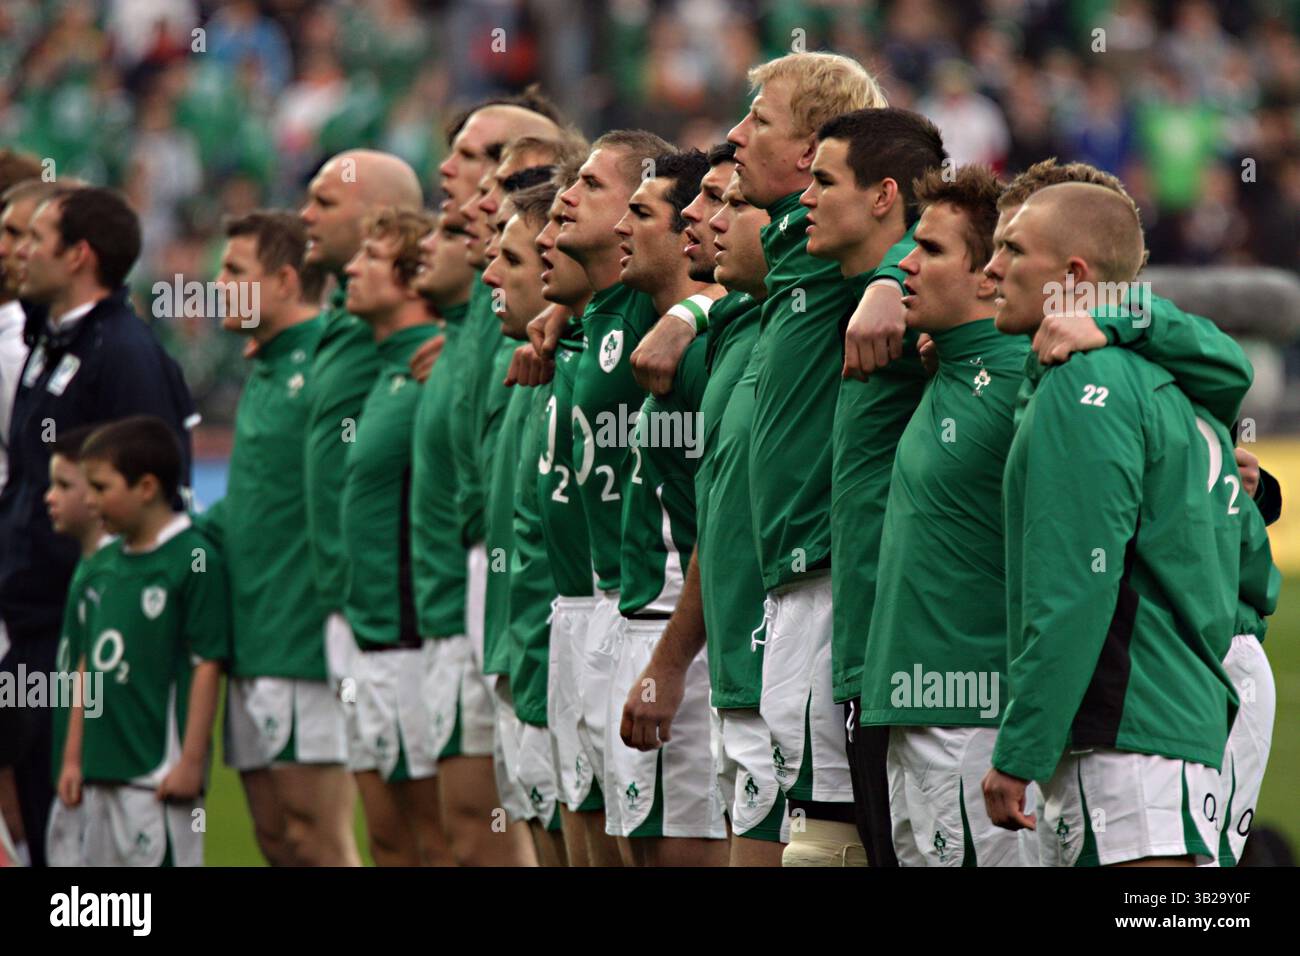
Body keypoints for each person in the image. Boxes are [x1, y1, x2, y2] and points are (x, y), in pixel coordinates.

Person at [981, 182, 1272, 866]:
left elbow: (1075, 587)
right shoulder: (1182, 392)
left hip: (1125, 747)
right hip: (1182, 738)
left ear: (1072, 277)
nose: (991, 268)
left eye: (1011, 249)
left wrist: (1020, 748)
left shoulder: (1084, 386)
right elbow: (1254, 580)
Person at [0, 186, 195, 867]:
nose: (18, 252)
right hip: (34, 624)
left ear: (79, 255)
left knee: (94, 851)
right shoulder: (51, 342)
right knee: (48, 833)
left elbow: (159, 493)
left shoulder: (124, 353)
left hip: (81, 626)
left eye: (34, 238)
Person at [726, 52, 886, 865]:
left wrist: (892, 283)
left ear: (813, 147)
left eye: (757, 119)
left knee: (828, 841)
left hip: (829, 576)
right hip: (789, 583)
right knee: (818, 830)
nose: (734, 135)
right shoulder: (793, 242)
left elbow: (942, 242)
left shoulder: (844, 248)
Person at [854, 162, 1031, 865]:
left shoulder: (1028, 375)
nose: (906, 267)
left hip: (978, 724)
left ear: (989, 272)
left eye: (929, 251)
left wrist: (1250, 487)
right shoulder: (948, 364)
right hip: (916, 717)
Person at [202, 211, 358, 866]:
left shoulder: (333, 358)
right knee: (276, 840)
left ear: (287, 279)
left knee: (317, 840)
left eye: (234, 272)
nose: (216, 284)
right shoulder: (265, 365)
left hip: (304, 644)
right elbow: (252, 504)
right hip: (252, 639)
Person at [297, 148, 430, 866]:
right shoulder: (345, 323)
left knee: (446, 832)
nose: (305, 216)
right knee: (385, 835)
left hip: (409, 617)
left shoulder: (430, 337)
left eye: (323, 202)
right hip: (351, 611)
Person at [555, 129, 677, 866]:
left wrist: (693, 313)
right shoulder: (592, 317)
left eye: (593, 187)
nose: (569, 197)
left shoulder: (652, 306)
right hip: (595, 601)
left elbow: (716, 292)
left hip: (648, 605)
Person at [602, 148, 727, 865]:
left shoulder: (702, 346)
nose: (623, 225)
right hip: (639, 624)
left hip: (685, 632)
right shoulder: (642, 317)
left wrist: (672, 660)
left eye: (640, 213)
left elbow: (725, 517)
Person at [56, 415, 229, 866]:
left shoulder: (192, 559)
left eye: (100, 488)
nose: (90, 502)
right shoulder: (100, 566)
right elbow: (85, 669)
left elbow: (207, 663)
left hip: (156, 779)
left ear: (147, 488)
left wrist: (191, 762)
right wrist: (74, 758)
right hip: (98, 775)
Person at [340, 208, 448, 866]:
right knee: (385, 842)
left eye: (370, 259)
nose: (350, 270)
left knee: (435, 843)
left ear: (411, 279)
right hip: (368, 641)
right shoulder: (386, 369)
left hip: (413, 639)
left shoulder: (433, 368)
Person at [42, 424, 112, 866]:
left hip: (106, 775)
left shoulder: (113, 575)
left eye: (64, 485)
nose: (49, 496)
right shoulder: (86, 567)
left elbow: (94, 677)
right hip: (77, 773)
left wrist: (76, 757)